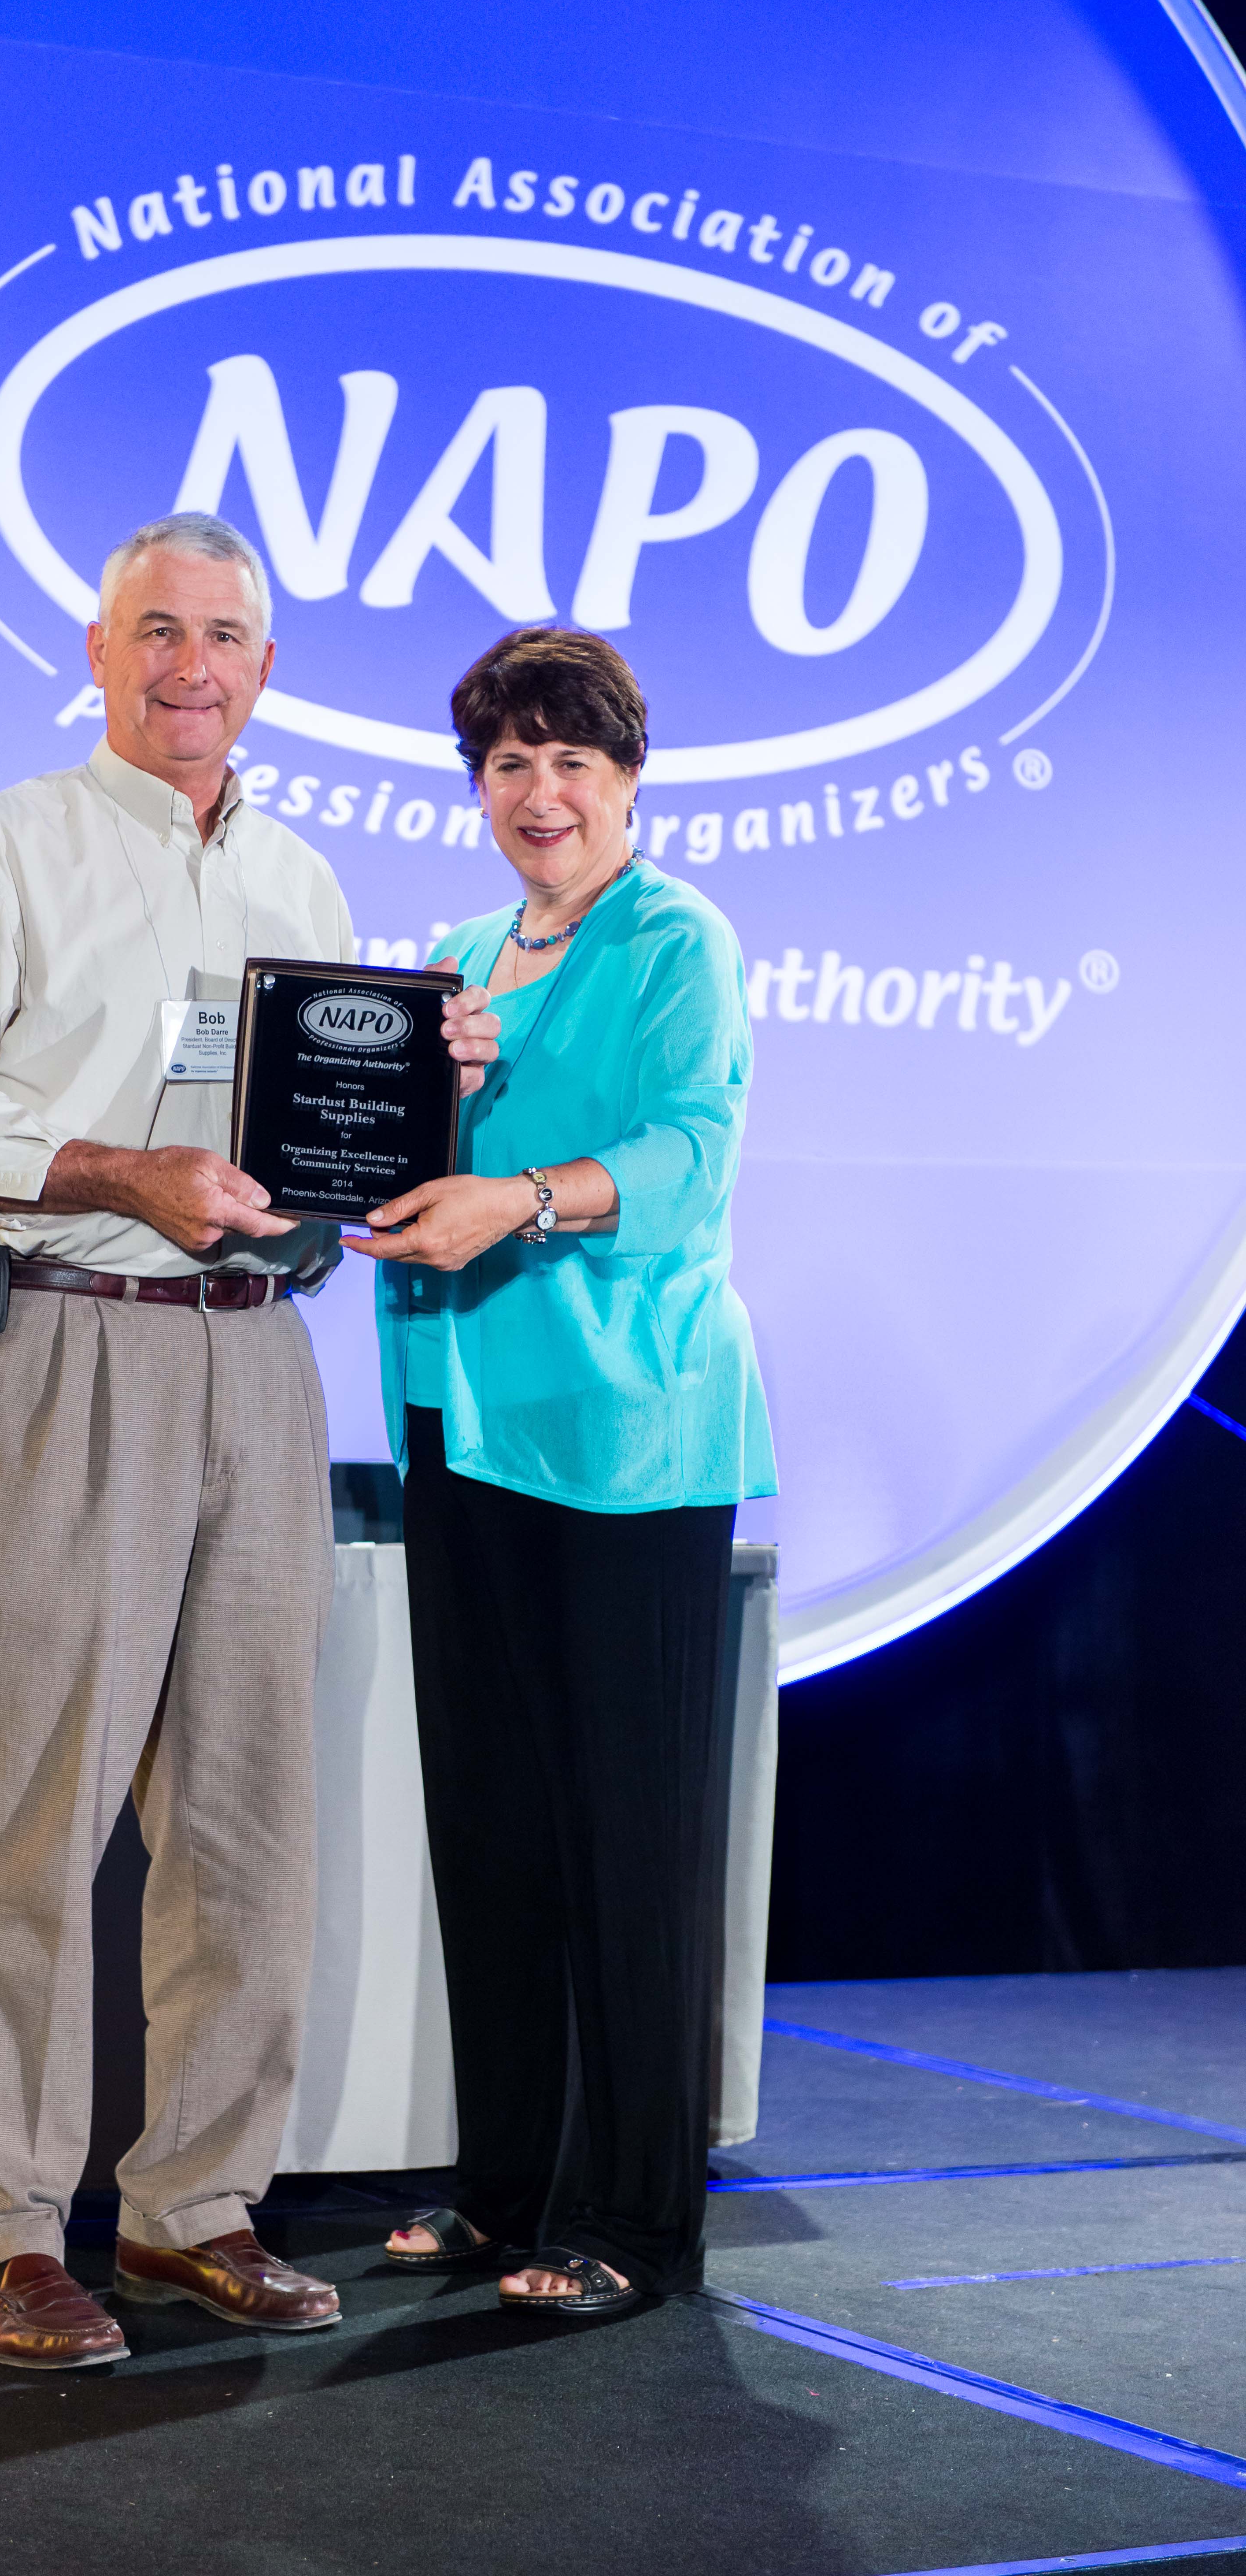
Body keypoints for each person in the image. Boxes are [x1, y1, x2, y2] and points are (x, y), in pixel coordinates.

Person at [0, 511, 497, 2368]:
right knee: (25, 1810)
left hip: (257, 1358)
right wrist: (118, 1171)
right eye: (155, 630)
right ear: (97, 648)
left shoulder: (300, 882)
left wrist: (421, 1109)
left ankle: (194, 2205)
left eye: (221, 636)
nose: (188, 666)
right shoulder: (1, 847)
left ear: (266, 669)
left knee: (246, 1810)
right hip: (68, 1339)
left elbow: (310, 1159)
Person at [346, 626, 775, 2317]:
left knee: (630, 1836)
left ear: (630, 779)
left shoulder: (678, 938)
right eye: (509, 763)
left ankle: (637, 2222)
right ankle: (505, 2187)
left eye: (571, 762)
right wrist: (401, 1123)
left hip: (625, 1435)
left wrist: (515, 1199)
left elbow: (689, 1155)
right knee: (495, 1827)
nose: (540, 793)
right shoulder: (457, 957)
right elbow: (400, 1163)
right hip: (460, 1417)